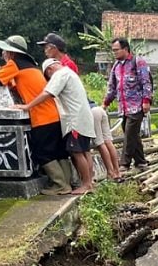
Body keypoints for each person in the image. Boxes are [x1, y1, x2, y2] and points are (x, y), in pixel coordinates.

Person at [0, 34, 72, 195]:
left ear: (11, 53)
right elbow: (20, 84)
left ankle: (60, 185)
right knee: (59, 151)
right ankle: (67, 183)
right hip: (54, 114)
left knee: (43, 152)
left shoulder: (13, 64)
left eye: (5, 51)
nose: (3, 54)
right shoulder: (32, 66)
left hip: (41, 117)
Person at [12, 59, 97, 194]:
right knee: (84, 151)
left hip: (75, 120)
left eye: (48, 76)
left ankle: (86, 184)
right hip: (83, 118)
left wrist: (28, 106)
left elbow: (47, 93)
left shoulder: (60, 75)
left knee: (77, 152)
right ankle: (88, 182)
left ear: (49, 70)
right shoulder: (70, 73)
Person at [103, 38, 153, 171]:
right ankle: (141, 162)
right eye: (113, 50)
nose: (114, 53)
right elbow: (112, 87)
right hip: (123, 108)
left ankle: (124, 164)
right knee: (132, 134)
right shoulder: (116, 66)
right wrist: (105, 103)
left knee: (129, 134)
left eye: (116, 50)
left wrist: (146, 101)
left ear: (125, 49)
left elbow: (146, 82)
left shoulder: (138, 62)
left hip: (136, 106)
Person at [91, 103, 121, 179]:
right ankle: (117, 171)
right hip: (100, 109)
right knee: (108, 141)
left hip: (92, 112)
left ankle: (110, 172)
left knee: (100, 143)